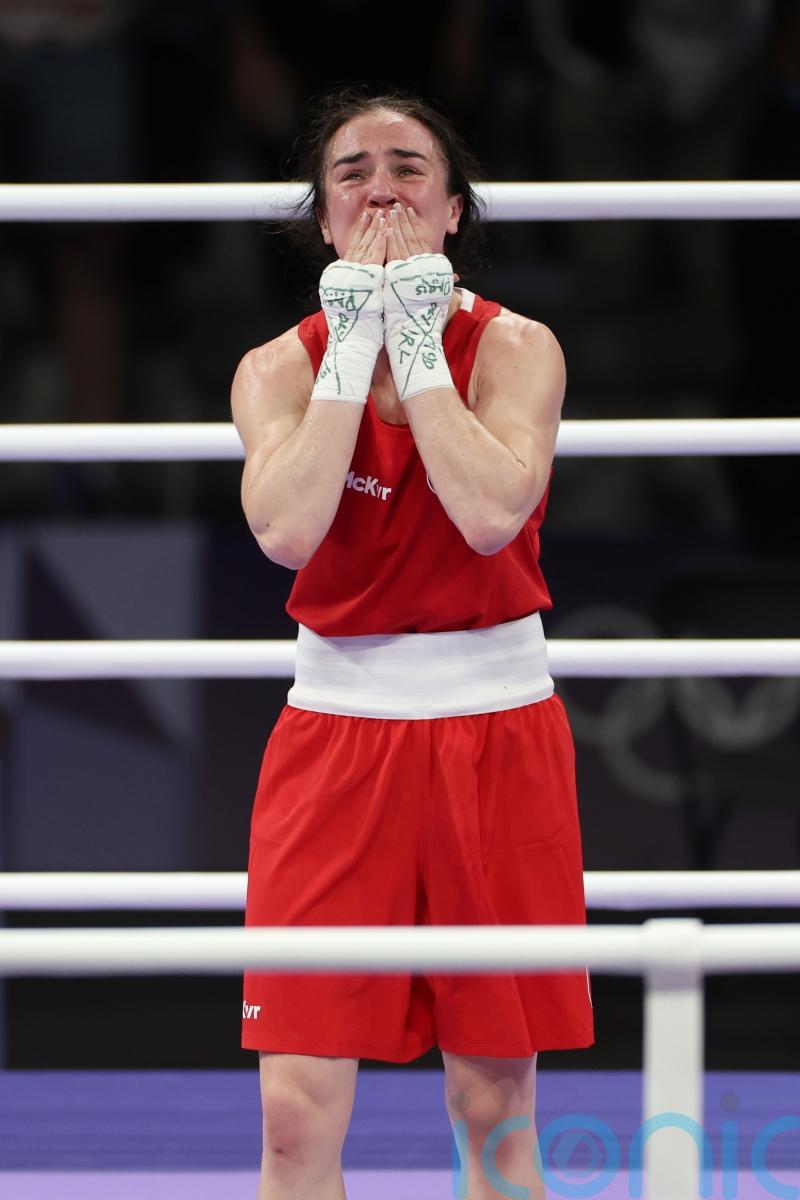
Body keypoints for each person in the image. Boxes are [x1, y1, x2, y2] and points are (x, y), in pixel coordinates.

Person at [231, 86, 593, 1200]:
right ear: (324, 222)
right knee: (294, 1116)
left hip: (495, 730)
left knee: (491, 1105)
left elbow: (489, 512)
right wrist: (354, 344)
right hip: (335, 737)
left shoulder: (517, 350)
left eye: (406, 169)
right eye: (352, 173)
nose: (379, 189)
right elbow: (288, 533)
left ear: (450, 213)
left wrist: (417, 345)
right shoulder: (275, 370)